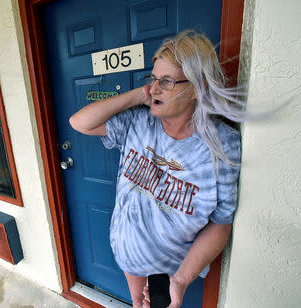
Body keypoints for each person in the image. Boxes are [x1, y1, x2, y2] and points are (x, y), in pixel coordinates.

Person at [69, 30, 244, 308]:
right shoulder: (138, 123)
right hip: (127, 253)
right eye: (152, 79)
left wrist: (182, 280)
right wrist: (138, 94)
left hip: (169, 271)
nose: (154, 88)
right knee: (138, 305)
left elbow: (221, 223)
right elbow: (80, 122)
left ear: (197, 87)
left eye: (166, 81)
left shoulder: (221, 147)